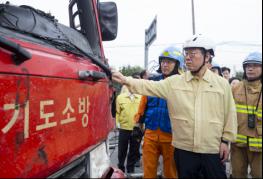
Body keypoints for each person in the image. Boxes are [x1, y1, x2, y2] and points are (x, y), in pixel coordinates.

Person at [111, 34, 237, 178]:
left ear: (207, 56)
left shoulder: (221, 84)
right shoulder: (175, 82)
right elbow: (148, 86)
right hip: (184, 150)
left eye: (193, 53)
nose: (188, 57)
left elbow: (230, 113)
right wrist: (125, 80)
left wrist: (225, 141)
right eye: (186, 53)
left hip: (212, 149)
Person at [134, 46, 184, 178]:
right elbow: (143, 104)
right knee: (148, 172)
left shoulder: (183, 85)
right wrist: (138, 124)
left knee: (171, 173)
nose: (164, 65)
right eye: (162, 61)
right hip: (151, 133)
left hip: (172, 136)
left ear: (178, 64)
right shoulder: (153, 81)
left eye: (169, 62)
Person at [231, 52, 262, 178]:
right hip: (238, 144)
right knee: (237, 174)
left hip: (260, 146)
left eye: (255, 65)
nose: (250, 68)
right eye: (248, 65)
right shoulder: (235, 88)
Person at [116, 83, 141, 173]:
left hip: (136, 128)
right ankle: (121, 167)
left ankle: (130, 169)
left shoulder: (141, 97)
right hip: (124, 128)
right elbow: (117, 112)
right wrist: (117, 124)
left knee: (134, 150)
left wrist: (143, 126)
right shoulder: (120, 97)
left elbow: (142, 112)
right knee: (122, 150)